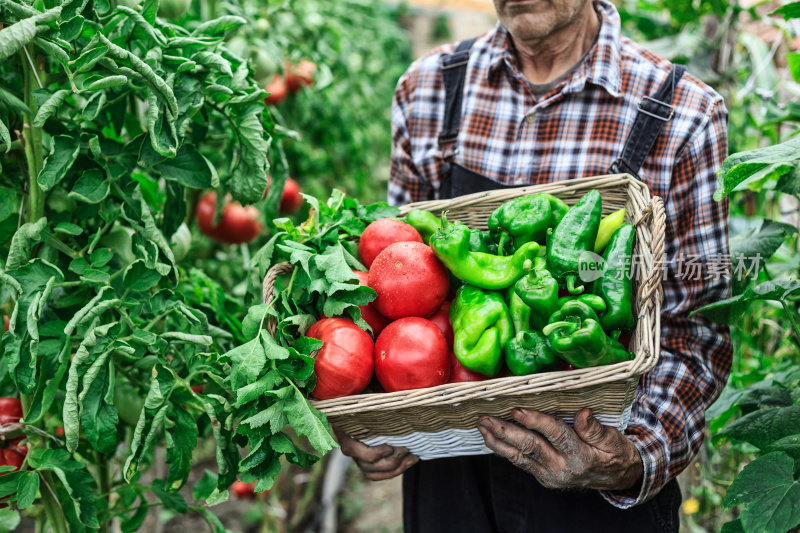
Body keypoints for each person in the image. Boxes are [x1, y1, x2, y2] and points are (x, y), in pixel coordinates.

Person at [336, 0, 733, 531]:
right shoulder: (429, 89)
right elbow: (396, 285)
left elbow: (698, 332)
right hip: (450, 472)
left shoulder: (681, 111)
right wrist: (361, 408)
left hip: (599, 482)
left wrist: (632, 457)